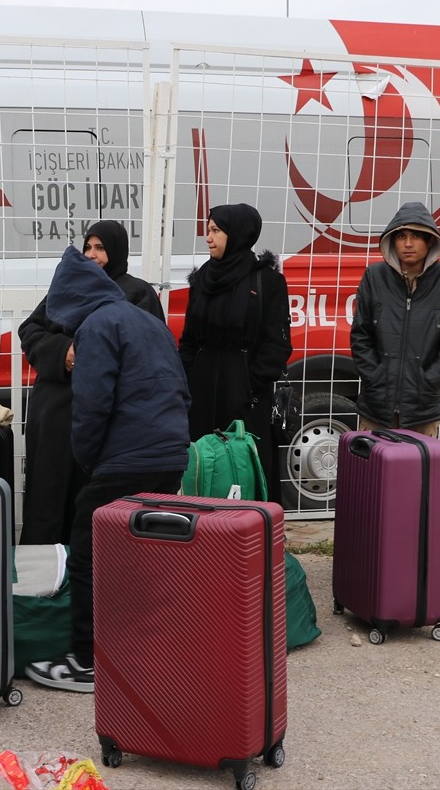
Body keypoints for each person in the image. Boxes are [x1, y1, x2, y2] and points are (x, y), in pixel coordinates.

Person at [24, 245, 190, 692]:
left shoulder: (96, 327)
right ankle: (145, 653)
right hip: (169, 456)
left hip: (125, 460)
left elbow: (91, 404)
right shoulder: (148, 322)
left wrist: (88, 460)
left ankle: (87, 661)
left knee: (87, 556)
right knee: (144, 558)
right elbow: (182, 388)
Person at [17, 221, 163, 545]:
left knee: (93, 504)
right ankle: (43, 569)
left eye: (101, 248)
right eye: (88, 247)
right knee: (48, 495)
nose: (92, 255)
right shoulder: (68, 286)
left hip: (104, 415)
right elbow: (30, 330)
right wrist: (64, 353)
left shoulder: (137, 293)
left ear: (118, 251)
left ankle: (88, 569)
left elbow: (147, 350)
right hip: (56, 411)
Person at [178, 202, 292, 502]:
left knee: (244, 470)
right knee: (203, 467)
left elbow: (277, 343)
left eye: (216, 230)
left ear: (238, 234)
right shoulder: (202, 279)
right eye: (208, 230)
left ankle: (248, 527)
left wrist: (248, 384)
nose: (208, 237)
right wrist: (189, 378)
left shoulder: (266, 281)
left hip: (245, 396)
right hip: (202, 394)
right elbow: (189, 339)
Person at [350, 201, 440, 438]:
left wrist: (428, 381)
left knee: (420, 463)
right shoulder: (375, 276)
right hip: (376, 406)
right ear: (391, 241)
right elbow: (360, 335)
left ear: (430, 241)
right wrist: (375, 377)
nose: (407, 243)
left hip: (424, 408)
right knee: (374, 462)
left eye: (416, 236)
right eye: (400, 236)